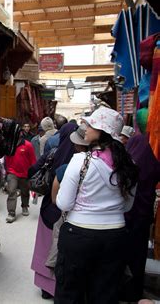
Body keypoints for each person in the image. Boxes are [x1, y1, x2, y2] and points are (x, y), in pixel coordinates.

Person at [54, 107, 138, 303]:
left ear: (101, 131)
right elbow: (127, 206)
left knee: (70, 294)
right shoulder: (129, 165)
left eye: (91, 124)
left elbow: (64, 203)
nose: (86, 128)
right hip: (115, 237)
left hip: (79, 235)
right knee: (105, 295)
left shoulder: (80, 161)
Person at [29, 122, 78, 299]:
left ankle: (45, 288)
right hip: (72, 215)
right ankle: (60, 288)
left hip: (49, 210)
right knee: (63, 252)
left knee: (44, 247)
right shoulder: (82, 159)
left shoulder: (53, 153)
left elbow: (33, 170)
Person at [120, 135, 160, 302]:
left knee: (122, 256)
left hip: (126, 217)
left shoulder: (128, 164)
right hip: (143, 218)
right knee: (138, 257)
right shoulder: (152, 163)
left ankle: (121, 290)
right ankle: (135, 292)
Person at [4, 133, 36, 223]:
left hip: (25, 173)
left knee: (25, 191)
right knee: (11, 191)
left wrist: (33, 173)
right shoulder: (9, 145)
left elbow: (33, 160)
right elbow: (5, 159)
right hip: (12, 172)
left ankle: (25, 206)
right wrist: (6, 172)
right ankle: (11, 213)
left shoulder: (28, 145)